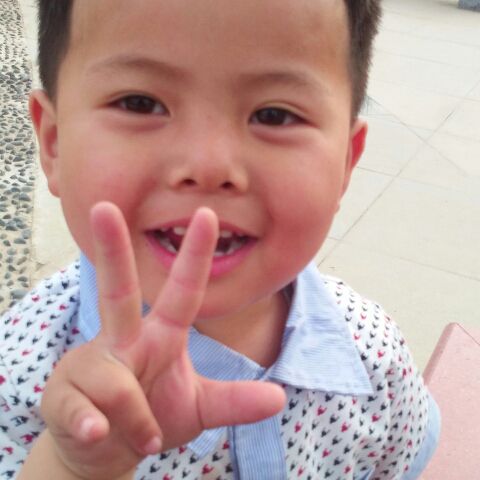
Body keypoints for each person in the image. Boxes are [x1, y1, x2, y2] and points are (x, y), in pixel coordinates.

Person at [0, 0, 440, 478]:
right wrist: (71, 464)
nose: (208, 164)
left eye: (274, 115)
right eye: (139, 103)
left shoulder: (374, 355)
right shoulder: (20, 374)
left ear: (346, 163)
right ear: (54, 143)